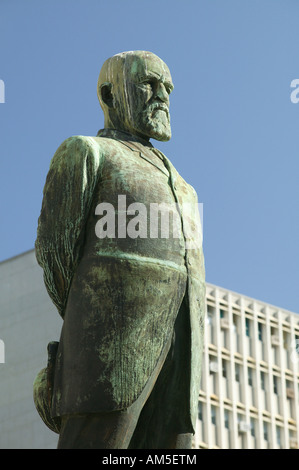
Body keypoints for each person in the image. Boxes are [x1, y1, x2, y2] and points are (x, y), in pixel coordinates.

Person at [34, 50, 205, 449]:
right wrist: (91, 324)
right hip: (109, 349)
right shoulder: (86, 152)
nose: (162, 95)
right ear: (109, 95)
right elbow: (57, 256)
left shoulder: (185, 186)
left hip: (182, 348)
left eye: (168, 88)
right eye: (149, 83)